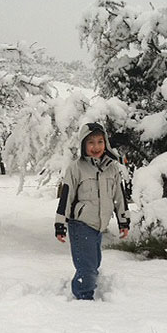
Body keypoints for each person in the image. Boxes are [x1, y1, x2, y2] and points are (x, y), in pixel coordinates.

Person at [55, 122, 130, 300]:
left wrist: (123, 221)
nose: (96, 147)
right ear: (83, 144)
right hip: (81, 224)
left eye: (100, 142)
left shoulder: (112, 168)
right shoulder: (76, 168)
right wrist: (60, 224)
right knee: (87, 267)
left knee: (93, 263)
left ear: (106, 143)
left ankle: (86, 290)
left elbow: (120, 196)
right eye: (90, 142)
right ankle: (83, 298)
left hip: (99, 225)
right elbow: (66, 197)